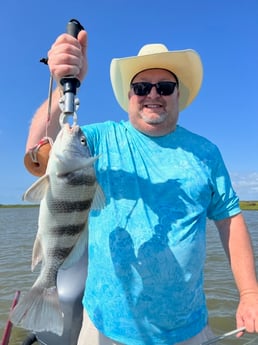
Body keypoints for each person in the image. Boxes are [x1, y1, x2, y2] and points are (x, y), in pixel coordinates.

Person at [25, 28, 258, 345]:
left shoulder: (205, 153)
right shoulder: (99, 139)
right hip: (104, 326)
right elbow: (38, 154)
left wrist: (249, 293)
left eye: (164, 86)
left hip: (187, 328)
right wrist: (61, 82)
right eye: (141, 86)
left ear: (178, 93)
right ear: (129, 95)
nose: (153, 94)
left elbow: (230, 220)